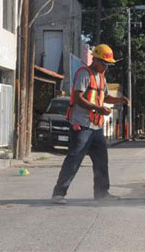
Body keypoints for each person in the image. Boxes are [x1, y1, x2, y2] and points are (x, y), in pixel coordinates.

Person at [52, 44, 129, 204]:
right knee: (74, 159)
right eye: (105, 64)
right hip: (81, 126)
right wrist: (98, 108)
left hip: (96, 127)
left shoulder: (101, 77)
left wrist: (120, 100)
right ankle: (59, 193)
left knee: (101, 161)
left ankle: (102, 193)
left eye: (108, 65)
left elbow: (105, 97)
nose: (106, 68)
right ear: (95, 60)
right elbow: (79, 97)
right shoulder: (84, 74)